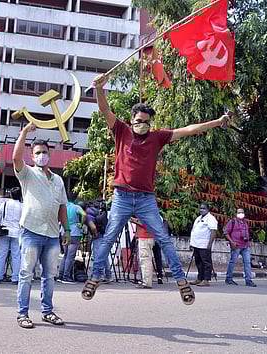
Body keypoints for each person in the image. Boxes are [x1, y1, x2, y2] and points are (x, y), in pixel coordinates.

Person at [82, 74, 231, 305]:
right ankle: (96, 277)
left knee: (162, 237)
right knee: (109, 236)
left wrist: (217, 122)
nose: (142, 124)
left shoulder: (157, 137)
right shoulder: (121, 130)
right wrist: (100, 89)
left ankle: (181, 281)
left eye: (146, 121)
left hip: (145, 198)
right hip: (122, 196)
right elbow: (104, 110)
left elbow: (189, 129)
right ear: (132, 119)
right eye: (139, 120)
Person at [13, 122, 69, 329]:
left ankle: (47, 311)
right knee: (27, 273)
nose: (41, 156)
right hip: (30, 231)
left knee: (50, 276)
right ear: (32, 155)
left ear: (49, 154)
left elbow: (62, 206)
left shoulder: (58, 180)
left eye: (44, 152)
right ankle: (22, 314)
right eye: (37, 153)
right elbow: (15, 158)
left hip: (53, 235)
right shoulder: (27, 174)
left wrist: (68, 230)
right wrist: (25, 132)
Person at [0, 186, 23, 285]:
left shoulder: (4, 204)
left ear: (10, 194)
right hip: (17, 232)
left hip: (5, 230)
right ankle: (15, 278)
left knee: (2, 254)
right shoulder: (22, 206)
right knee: (16, 256)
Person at [58, 193, 86, 284]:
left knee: (65, 255)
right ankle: (66, 276)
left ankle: (61, 275)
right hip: (74, 232)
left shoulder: (63, 206)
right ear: (75, 199)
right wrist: (81, 224)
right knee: (70, 256)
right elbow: (84, 214)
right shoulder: (76, 207)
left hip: (63, 231)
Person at [224, 208, 256, 287]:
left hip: (245, 245)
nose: (240, 214)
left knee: (247, 263)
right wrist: (232, 242)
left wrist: (248, 241)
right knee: (233, 262)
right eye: (239, 212)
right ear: (236, 213)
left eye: (242, 212)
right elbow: (226, 233)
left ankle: (248, 280)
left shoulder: (245, 223)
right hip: (236, 245)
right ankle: (228, 278)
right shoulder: (232, 222)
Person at [189, 203, 218, 287]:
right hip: (196, 244)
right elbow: (194, 231)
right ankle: (200, 278)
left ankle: (206, 280)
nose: (201, 210)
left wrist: (210, 244)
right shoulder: (198, 218)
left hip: (205, 244)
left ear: (208, 209)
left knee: (206, 263)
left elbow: (213, 231)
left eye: (203, 208)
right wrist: (191, 243)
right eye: (200, 208)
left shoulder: (211, 219)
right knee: (198, 262)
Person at [86, 202, 113, 283]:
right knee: (103, 256)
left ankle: (98, 275)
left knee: (98, 256)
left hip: (97, 236)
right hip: (104, 234)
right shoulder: (98, 212)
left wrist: (94, 234)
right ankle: (108, 275)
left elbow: (93, 227)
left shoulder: (89, 215)